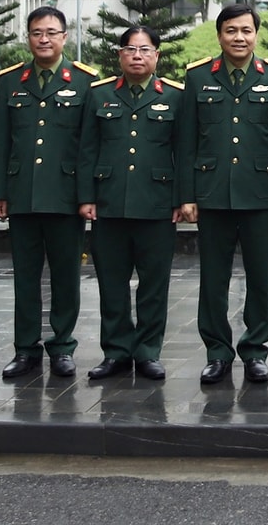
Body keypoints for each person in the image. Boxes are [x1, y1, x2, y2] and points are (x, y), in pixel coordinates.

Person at [82, 24, 196, 380]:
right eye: (130, 49)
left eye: (145, 50)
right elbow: (86, 149)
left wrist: (182, 198)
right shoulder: (99, 95)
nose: (137, 56)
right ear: (119, 55)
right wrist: (86, 197)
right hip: (109, 202)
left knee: (154, 284)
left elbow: (184, 151)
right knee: (111, 282)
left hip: (157, 203)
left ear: (157, 56)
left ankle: (148, 351)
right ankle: (116, 351)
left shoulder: (175, 97)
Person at [0, 6, 101, 380]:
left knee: (65, 275)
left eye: (51, 33)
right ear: (28, 37)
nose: (44, 39)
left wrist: (86, 196)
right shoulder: (10, 81)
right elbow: (1, 141)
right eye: (37, 33)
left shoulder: (85, 82)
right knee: (24, 275)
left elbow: (88, 146)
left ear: (65, 37)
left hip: (65, 194)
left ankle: (62, 346)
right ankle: (25, 349)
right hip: (22, 193)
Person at [187, 3, 268, 385]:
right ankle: (217, 352)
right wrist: (187, 195)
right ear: (219, 35)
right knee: (213, 279)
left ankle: (255, 350)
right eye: (231, 30)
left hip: (261, 195)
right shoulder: (198, 77)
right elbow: (187, 140)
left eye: (246, 30)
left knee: (261, 278)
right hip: (213, 194)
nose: (239, 37)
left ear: (256, 35)